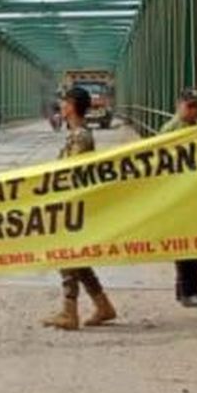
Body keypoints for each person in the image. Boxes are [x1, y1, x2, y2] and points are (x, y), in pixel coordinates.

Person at [42, 86, 117, 330]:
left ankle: (69, 311)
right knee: (78, 257)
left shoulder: (81, 137)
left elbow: (71, 172)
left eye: (64, 102)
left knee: (66, 254)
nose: (61, 106)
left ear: (72, 106)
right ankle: (103, 305)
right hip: (74, 204)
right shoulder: (76, 135)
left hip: (73, 206)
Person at [159, 88, 197, 309]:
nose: (194, 110)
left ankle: (185, 288)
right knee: (187, 244)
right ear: (178, 105)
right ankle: (188, 292)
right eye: (189, 106)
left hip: (195, 194)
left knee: (196, 243)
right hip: (179, 196)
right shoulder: (170, 131)